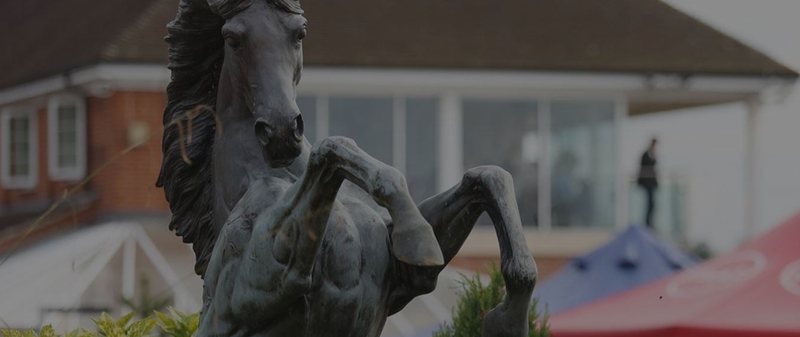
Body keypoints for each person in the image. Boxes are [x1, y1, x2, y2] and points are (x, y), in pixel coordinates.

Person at [637, 138, 658, 228]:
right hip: (647, 183)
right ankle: (647, 223)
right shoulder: (646, 155)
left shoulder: (652, 154)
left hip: (651, 183)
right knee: (649, 204)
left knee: (652, 204)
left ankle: (649, 223)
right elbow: (643, 169)